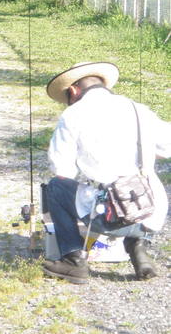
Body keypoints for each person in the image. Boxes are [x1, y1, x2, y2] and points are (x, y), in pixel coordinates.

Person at [42, 62, 171, 284]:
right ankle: (138, 247)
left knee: (56, 186)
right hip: (149, 212)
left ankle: (74, 260)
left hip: (108, 216)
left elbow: (61, 168)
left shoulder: (73, 114)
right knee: (143, 183)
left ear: (73, 91)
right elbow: (167, 147)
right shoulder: (139, 109)